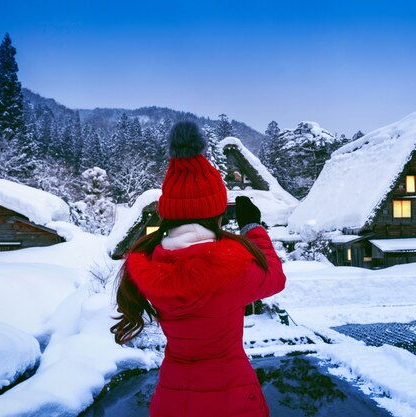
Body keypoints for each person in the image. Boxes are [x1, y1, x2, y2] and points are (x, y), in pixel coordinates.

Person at [111, 121, 286, 417]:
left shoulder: (150, 263)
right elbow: (275, 278)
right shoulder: (235, 268)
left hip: (172, 398)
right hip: (233, 398)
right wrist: (253, 228)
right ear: (217, 211)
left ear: (168, 212)